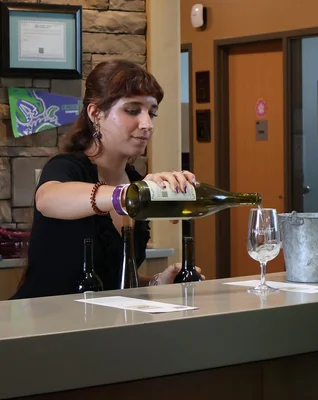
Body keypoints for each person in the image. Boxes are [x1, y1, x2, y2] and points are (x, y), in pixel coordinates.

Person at [11, 59, 201, 299]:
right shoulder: (67, 167)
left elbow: (109, 280)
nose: (147, 124)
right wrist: (124, 195)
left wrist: (155, 282)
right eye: (132, 110)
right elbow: (48, 199)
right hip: (43, 327)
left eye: (151, 113)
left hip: (97, 328)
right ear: (95, 113)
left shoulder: (135, 180)